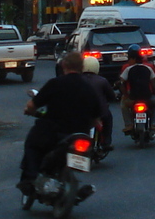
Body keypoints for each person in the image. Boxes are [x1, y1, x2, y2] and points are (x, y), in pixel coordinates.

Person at [18, 51, 103, 192]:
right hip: (80, 134)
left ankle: (31, 179)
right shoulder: (89, 88)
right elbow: (96, 119)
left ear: (64, 65)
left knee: (32, 144)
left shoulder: (56, 83)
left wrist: (29, 110)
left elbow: (32, 105)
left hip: (54, 132)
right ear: (81, 67)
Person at [120, 45, 155, 133]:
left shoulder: (128, 69)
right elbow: (154, 84)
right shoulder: (148, 68)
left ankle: (129, 124)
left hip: (132, 98)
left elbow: (121, 83)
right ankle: (154, 124)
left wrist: (125, 95)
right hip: (147, 98)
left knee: (123, 104)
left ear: (133, 59)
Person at [80, 55, 116, 152]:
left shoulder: (78, 80)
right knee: (108, 118)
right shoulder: (102, 81)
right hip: (100, 112)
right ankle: (106, 142)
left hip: (80, 112)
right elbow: (111, 96)